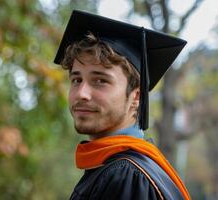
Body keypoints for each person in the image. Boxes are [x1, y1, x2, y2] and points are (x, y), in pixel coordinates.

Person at [54, 10, 190, 200]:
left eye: (100, 81)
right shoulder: (124, 168)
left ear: (136, 97)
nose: (81, 94)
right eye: (76, 80)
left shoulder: (126, 176)